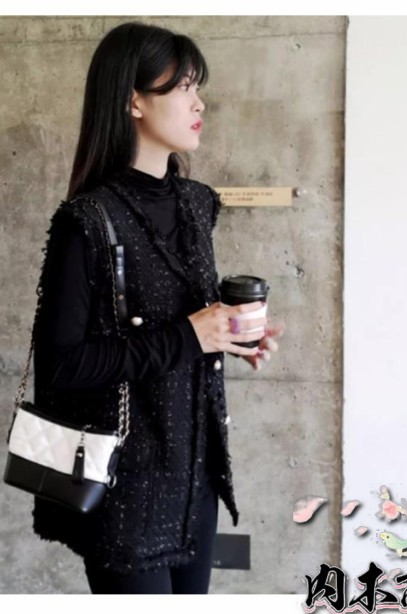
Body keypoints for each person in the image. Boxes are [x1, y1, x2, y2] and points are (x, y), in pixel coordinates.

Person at [30, 21, 283, 594]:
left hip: (197, 472)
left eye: (198, 88)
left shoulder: (197, 204)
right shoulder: (86, 221)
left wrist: (230, 335)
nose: (199, 103)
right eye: (183, 87)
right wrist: (189, 336)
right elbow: (62, 365)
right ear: (133, 101)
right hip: (126, 483)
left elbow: (183, 321)